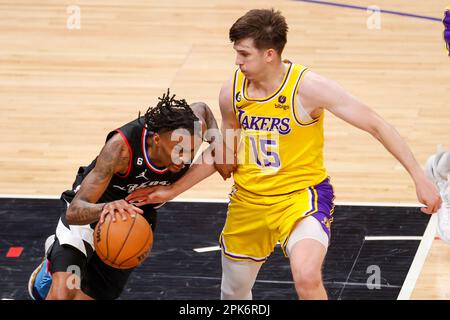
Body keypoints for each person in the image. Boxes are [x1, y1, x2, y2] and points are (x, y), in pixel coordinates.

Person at [126, 9, 442, 300]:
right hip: (248, 202)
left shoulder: (308, 88)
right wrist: (171, 190)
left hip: (300, 198)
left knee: (306, 276)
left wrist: (419, 176)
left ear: (270, 54)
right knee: (234, 292)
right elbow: (223, 153)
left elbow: (375, 124)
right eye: (236, 52)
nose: (237, 61)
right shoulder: (231, 92)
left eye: (244, 54)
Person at [28, 90, 219, 300]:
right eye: (178, 151)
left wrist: (217, 141)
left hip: (134, 216)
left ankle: (61, 266)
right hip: (92, 206)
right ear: (156, 140)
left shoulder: (191, 128)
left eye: (190, 151)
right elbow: (74, 211)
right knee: (63, 294)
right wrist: (106, 208)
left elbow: (203, 108)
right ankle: (52, 270)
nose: (184, 159)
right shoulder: (120, 150)